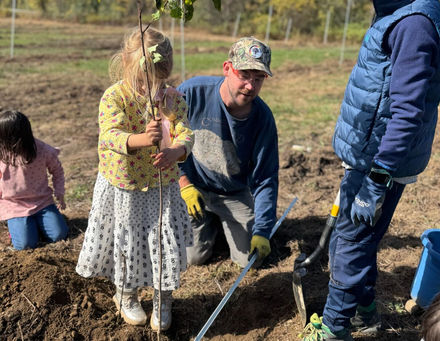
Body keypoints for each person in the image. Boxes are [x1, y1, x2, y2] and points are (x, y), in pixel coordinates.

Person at [301, 0, 440, 340]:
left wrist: (377, 179)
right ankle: (363, 313)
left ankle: (334, 328)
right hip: (367, 156)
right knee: (357, 238)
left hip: (377, 164)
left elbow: (408, 111)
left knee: (349, 243)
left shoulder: (413, 24)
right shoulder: (395, 13)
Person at [75, 27, 194, 331]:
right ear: (127, 67)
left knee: (161, 243)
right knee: (128, 243)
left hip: (161, 186)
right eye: (143, 82)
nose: (150, 89)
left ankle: (163, 297)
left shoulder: (172, 99)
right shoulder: (114, 97)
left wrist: (176, 151)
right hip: (125, 186)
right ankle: (126, 294)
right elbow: (110, 136)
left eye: (158, 81)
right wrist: (142, 138)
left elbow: (185, 132)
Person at [176, 37, 279, 268]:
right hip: (195, 189)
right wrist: (184, 183)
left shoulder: (262, 119)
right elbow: (166, 142)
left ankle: (228, 221)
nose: (250, 86)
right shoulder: (191, 94)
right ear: (227, 68)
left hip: (234, 193)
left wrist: (262, 230)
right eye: (244, 75)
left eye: (258, 78)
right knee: (194, 259)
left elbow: (266, 178)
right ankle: (211, 222)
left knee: (250, 260)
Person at [0, 110, 68, 251]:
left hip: (42, 201)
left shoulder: (41, 149)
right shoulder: (2, 153)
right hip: (14, 204)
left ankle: (38, 223)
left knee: (59, 235)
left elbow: (57, 170)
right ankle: (17, 228)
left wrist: (59, 191)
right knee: (25, 245)